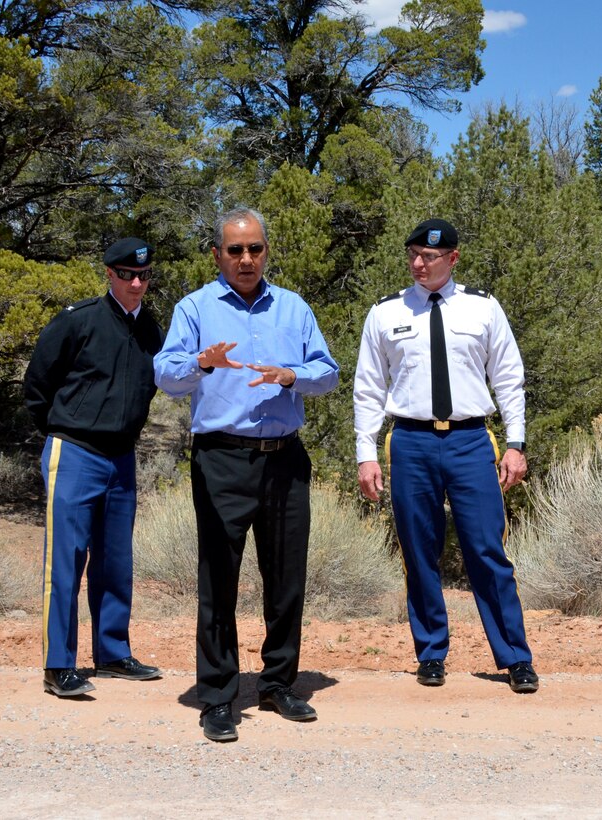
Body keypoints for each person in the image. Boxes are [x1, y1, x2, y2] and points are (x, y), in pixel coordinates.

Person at [154, 207, 339, 743]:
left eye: (254, 249)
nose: (245, 259)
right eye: (234, 250)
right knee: (219, 579)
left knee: (286, 577)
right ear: (217, 255)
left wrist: (291, 375)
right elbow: (166, 373)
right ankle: (217, 695)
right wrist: (203, 364)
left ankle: (279, 684)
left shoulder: (294, 308)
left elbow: (326, 372)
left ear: (266, 252)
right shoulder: (195, 308)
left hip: (284, 458)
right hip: (222, 458)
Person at [353, 218, 538, 694]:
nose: (419, 263)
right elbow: (369, 388)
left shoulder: (483, 308)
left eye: (430, 256)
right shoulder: (386, 312)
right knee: (419, 551)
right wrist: (365, 454)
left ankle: (515, 656)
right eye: (413, 254)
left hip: (470, 440)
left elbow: (509, 377)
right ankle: (431, 652)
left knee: (486, 549)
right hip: (410, 441)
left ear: (452, 259)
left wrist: (515, 443)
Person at [24, 237, 165, 698]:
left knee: (114, 561)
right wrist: (64, 430)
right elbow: (38, 385)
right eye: (127, 275)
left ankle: (111, 652)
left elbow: (151, 386)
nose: (137, 283)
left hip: (122, 458)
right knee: (66, 559)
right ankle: (58, 664)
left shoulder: (151, 329)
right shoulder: (78, 321)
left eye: (144, 276)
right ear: (109, 274)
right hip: (75, 451)